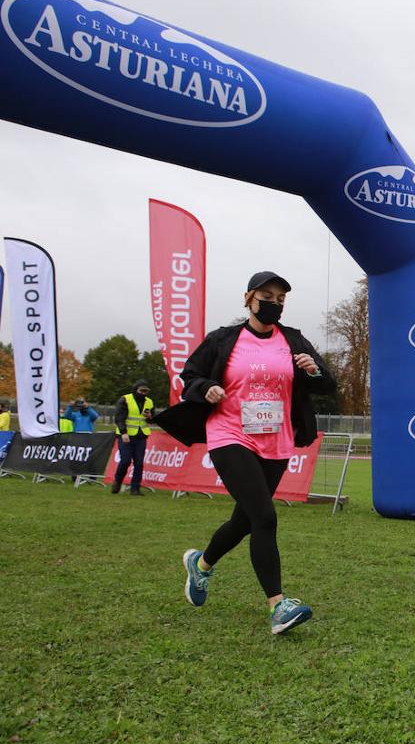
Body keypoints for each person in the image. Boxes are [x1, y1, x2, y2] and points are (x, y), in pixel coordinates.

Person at [154, 271, 336, 635]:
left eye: (281, 299)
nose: (274, 303)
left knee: (245, 520)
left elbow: (328, 385)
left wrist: (314, 370)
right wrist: (205, 387)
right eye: (267, 296)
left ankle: (201, 565)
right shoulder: (225, 338)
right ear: (249, 298)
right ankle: (278, 606)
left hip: (277, 439)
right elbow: (189, 375)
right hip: (230, 434)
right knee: (265, 518)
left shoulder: (294, 340)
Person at [112, 380, 153, 495]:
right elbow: (119, 418)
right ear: (135, 390)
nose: (144, 393)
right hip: (126, 436)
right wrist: (123, 432)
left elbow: (151, 419)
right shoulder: (125, 399)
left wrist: (150, 417)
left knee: (139, 463)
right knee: (125, 461)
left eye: (146, 391)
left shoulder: (149, 402)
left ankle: (135, 489)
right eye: (142, 391)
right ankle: (118, 481)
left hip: (141, 435)